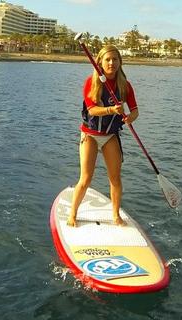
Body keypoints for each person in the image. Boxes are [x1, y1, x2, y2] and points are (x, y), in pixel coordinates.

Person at [67, 45, 139, 227]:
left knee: (115, 178)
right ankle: (73, 213)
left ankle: (115, 215)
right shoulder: (92, 82)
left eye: (115, 59)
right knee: (86, 179)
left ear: (120, 62)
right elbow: (92, 110)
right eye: (107, 59)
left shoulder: (125, 85)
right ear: (100, 62)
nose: (111, 63)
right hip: (90, 135)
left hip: (110, 136)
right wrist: (111, 109)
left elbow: (135, 110)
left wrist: (130, 118)